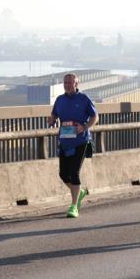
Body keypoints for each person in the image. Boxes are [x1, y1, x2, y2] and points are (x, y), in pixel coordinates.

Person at [48, 73, 99, 218]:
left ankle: (74, 206)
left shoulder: (84, 99)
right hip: (65, 140)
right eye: (65, 83)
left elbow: (95, 116)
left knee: (74, 172)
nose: (67, 85)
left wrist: (85, 126)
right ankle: (80, 192)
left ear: (76, 84)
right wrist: (51, 119)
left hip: (81, 141)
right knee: (63, 174)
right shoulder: (60, 100)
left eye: (70, 82)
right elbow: (54, 116)